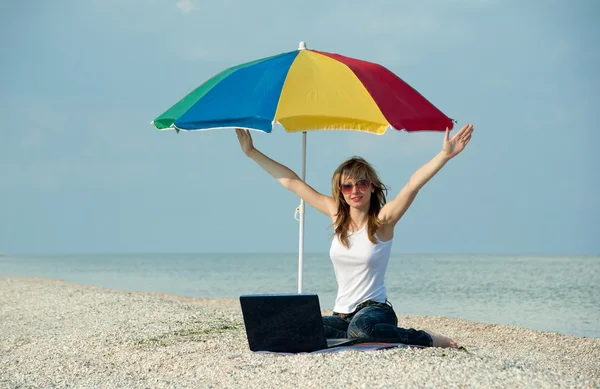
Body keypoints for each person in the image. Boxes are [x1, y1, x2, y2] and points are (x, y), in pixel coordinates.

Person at [235, 124, 474, 348]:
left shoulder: (382, 222)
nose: (355, 190)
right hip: (342, 315)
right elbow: (293, 183)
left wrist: (444, 155)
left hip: (375, 310)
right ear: (340, 191)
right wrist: (251, 152)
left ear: (372, 186)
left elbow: (412, 185)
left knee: (363, 330)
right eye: (347, 186)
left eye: (361, 183)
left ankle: (427, 338)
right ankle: (355, 334)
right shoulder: (336, 215)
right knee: (294, 326)